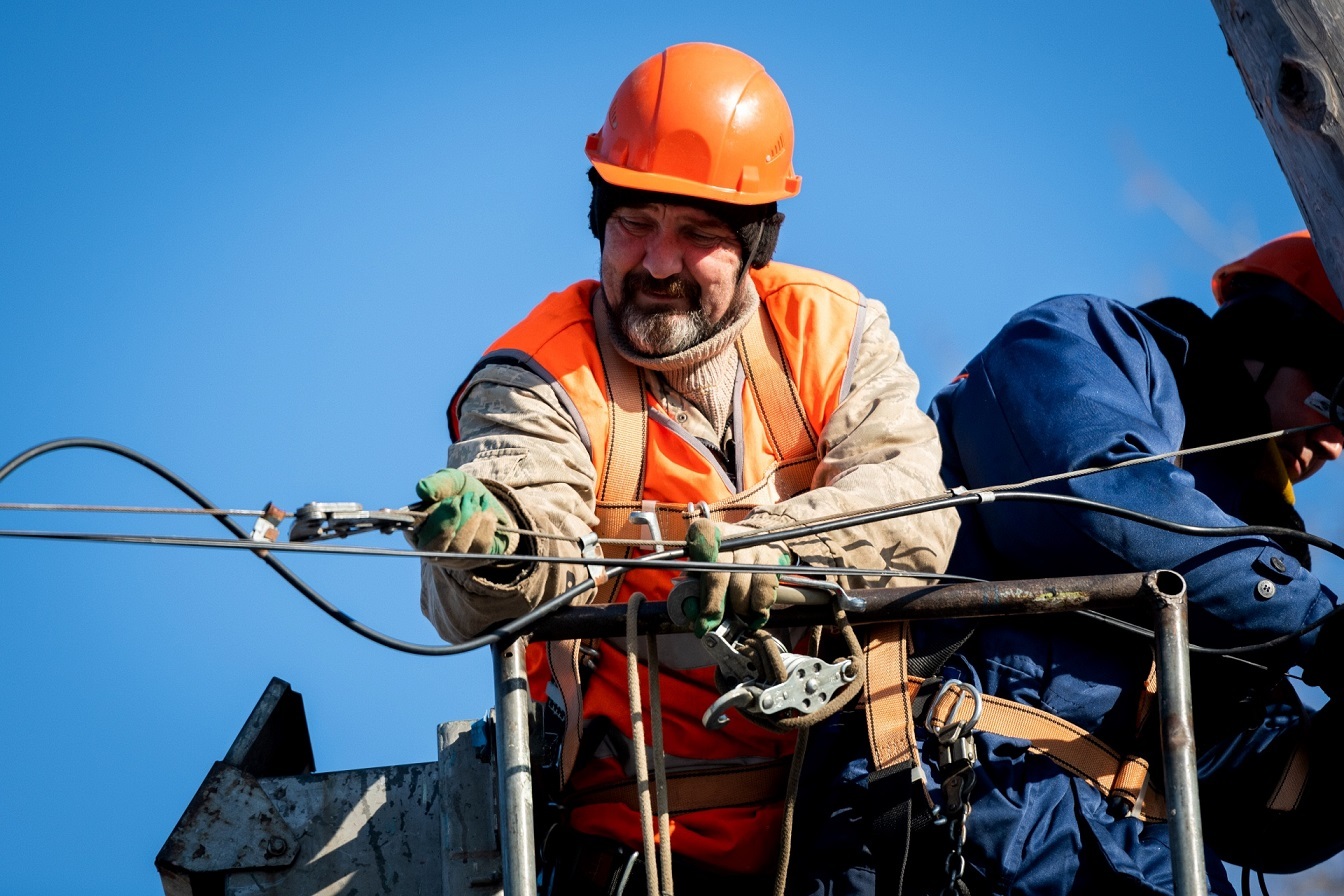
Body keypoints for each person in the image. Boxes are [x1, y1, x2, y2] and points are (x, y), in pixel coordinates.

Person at [411, 42, 959, 895]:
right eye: (636, 222)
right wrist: (500, 549)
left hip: (852, 828)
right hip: (647, 859)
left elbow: (913, 509)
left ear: (757, 244)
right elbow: (526, 534)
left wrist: (773, 553)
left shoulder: (835, 331)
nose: (658, 264)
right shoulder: (536, 378)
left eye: (697, 233)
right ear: (599, 216)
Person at [790, 231, 1344, 896]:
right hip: (946, 806)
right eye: (1335, 398)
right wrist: (1323, 627)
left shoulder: (1257, 546)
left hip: (1135, 862)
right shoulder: (1086, 345)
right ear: (1268, 333)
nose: (1337, 445)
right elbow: (1094, 496)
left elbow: (1256, 797)